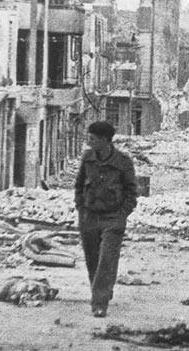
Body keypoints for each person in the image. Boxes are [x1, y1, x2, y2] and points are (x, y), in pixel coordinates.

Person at [74, 121, 138, 317]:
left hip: (113, 218)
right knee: (93, 260)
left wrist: (122, 214)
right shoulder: (88, 158)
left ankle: (99, 303)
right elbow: (78, 186)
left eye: (92, 139)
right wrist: (80, 208)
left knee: (106, 261)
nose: (88, 142)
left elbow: (131, 192)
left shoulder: (123, 162)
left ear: (104, 140)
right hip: (90, 217)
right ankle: (102, 290)